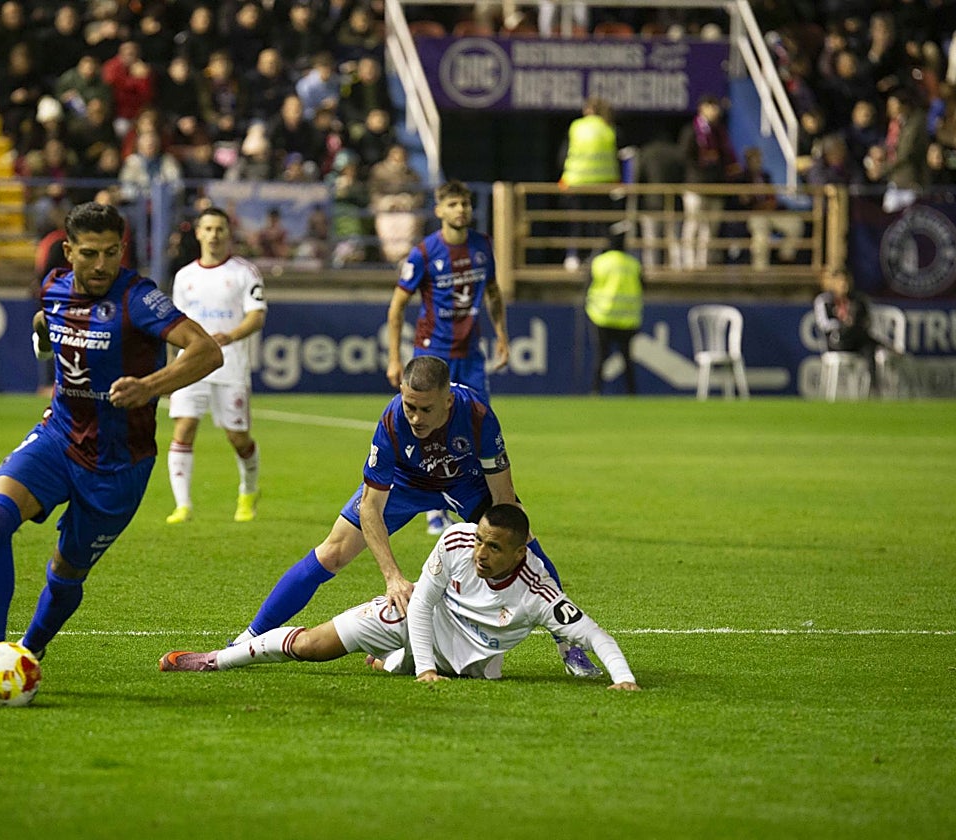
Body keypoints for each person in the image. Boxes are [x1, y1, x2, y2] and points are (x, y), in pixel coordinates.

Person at [0, 202, 223, 696]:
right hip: (59, 437)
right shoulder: (52, 285)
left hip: (119, 464)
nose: (101, 265)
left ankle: (29, 650)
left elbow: (206, 350)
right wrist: (42, 336)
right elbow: (44, 323)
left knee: (66, 570)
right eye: (89, 254)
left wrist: (151, 386)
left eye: (111, 253)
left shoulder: (139, 298)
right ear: (68, 250)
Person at [229, 355, 602, 679]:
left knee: (527, 543)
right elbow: (371, 507)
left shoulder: (477, 416)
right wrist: (392, 577)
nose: (416, 417)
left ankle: (567, 643)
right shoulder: (392, 421)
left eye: (426, 409)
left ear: (448, 400)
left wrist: (504, 543)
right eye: (410, 406)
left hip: (464, 481)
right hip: (407, 483)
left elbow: (503, 497)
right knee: (332, 552)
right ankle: (250, 636)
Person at [161, 504, 639, 690]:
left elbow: (596, 635)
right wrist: (426, 666)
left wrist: (623, 681)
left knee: (403, 663)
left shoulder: (539, 592)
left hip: (467, 663)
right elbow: (424, 605)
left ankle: (393, 661)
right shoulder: (455, 542)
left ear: (520, 553)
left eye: (494, 547)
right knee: (311, 647)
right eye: (480, 540)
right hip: (410, 617)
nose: (481, 552)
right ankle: (215, 660)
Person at [385, 180, 509, 534]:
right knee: (427, 430)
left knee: (478, 426)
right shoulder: (424, 253)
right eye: (453, 204)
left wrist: (502, 335)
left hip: (470, 354)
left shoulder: (483, 246)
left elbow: (494, 293)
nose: (461, 210)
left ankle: (477, 504)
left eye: (466, 203)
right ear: (439, 210)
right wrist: (395, 358)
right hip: (433, 355)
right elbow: (397, 307)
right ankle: (434, 507)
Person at [165, 207, 267, 524]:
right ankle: (183, 506)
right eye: (207, 228)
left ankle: (248, 491)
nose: (213, 235)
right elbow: (175, 325)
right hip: (189, 363)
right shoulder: (184, 277)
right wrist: (171, 368)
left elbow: (257, 315)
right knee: (184, 428)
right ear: (197, 233)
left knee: (238, 437)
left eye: (219, 229)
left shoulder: (244, 272)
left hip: (230, 364)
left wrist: (232, 335)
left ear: (228, 233)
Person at [558, 96, 620, 271]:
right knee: (598, 222)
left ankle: (572, 257)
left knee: (576, 221)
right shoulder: (610, 129)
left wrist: (565, 177)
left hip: (576, 182)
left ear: (588, 110)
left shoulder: (576, 126)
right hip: (602, 184)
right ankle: (597, 257)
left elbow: (564, 154)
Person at [679, 95, 740, 269]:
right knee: (693, 225)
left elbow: (726, 158)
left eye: (717, 106)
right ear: (702, 108)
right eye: (711, 106)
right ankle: (689, 263)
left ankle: (703, 263)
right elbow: (684, 156)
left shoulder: (719, 132)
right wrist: (703, 163)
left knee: (710, 229)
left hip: (715, 187)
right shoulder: (691, 130)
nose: (716, 110)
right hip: (695, 186)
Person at [813, 266, 892, 393]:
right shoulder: (825, 300)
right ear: (834, 283)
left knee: (868, 348)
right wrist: (842, 324)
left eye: (846, 281)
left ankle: (874, 387)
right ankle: (884, 345)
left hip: (856, 341)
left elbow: (866, 321)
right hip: (837, 340)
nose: (844, 284)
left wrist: (854, 324)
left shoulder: (857, 300)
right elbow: (823, 323)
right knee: (864, 338)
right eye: (840, 281)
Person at [586, 223, 643, 395]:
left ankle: (596, 392)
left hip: (602, 317)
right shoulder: (633, 264)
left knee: (601, 358)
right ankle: (632, 393)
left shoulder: (600, 262)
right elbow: (642, 286)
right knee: (627, 359)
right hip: (627, 320)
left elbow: (588, 286)